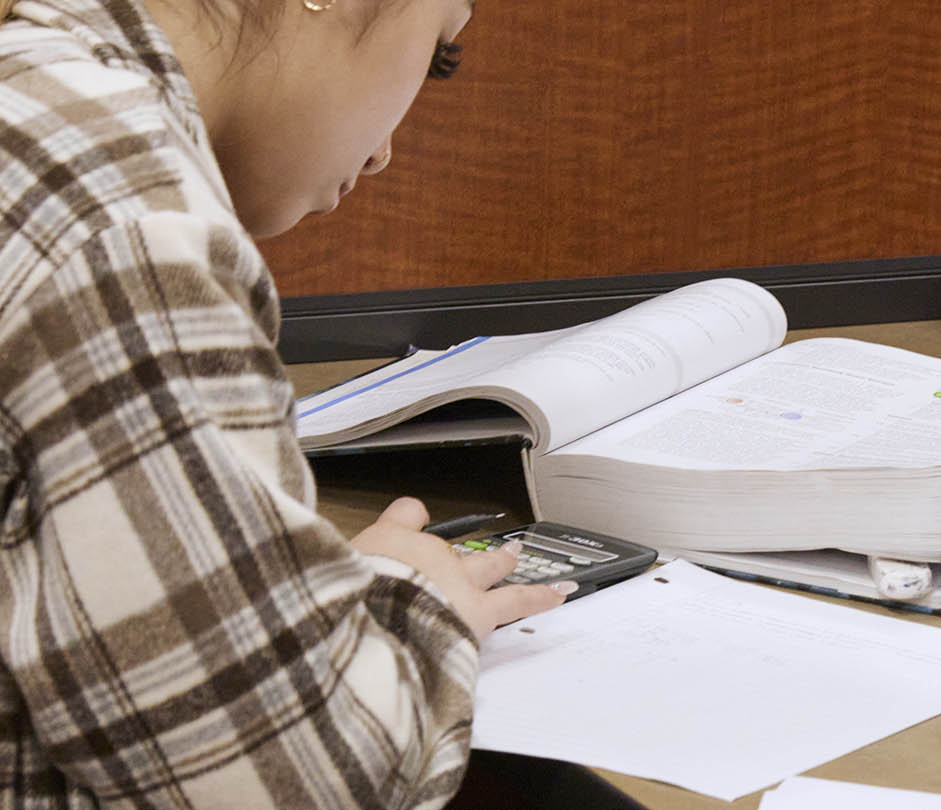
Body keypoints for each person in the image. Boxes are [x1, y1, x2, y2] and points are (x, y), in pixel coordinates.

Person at [0, 0, 574, 803]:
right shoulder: (123, 221)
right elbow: (290, 780)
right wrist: (407, 603)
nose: (383, 154)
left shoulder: (34, 92)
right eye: (438, 56)